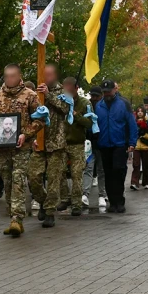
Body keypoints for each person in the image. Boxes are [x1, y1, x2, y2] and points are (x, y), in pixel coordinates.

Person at [0, 64, 43, 236]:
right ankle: (14, 213)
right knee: (7, 181)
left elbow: (40, 120)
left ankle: (17, 219)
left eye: (12, 76)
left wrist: (26, 134)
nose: (9, 79)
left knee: (18, 178)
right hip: (3, 149)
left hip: (22, 147)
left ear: (19, 77)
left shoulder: (30, 96)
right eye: (6, 76)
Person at [28, 65, 72, 229]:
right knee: (33, 176)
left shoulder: (63, 92)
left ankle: (50, 213)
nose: (46, 77)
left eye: (49, 74)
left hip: (57, 144)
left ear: (54, 75)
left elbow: (66, 108)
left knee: (53, 180)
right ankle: (42, 201)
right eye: (44, 74)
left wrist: (48, 95)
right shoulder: (35, 92)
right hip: (38, 143)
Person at [94, 80, 137, 213]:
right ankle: (112, 202)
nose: (107, 93)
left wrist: (132, 142)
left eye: (109, 91)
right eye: (104, 92)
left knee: (119, 171)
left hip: (119, 144)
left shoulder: (124, 104)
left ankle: (120, 200)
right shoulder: (99, 106)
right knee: (108, 174)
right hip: (104, 145)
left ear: (115, 90)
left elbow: (131, 124)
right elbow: (95, 125)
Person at [58, 77, 93, 216]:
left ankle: (77, 203)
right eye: (64, 87)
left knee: (76, 174)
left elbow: (90, 123)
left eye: (69, 87)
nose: (67, 90)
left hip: (77, 144)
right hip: (61, 143)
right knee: (59, 171)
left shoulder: (85, 103)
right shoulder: (61, 102)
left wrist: (76, 116)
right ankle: (65, 198)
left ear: (76, 88)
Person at [83, 86, 107, 205]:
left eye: (96, 96)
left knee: (101, 170)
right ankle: (85, 194)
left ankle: (102, 194)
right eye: (92, 96)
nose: (94, 98)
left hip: (101, 144)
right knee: (88, 168)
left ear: (101, 96)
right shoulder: (87, 107)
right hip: (89, 144)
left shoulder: (104, 108)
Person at [131, 106, 148, 190]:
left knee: (146, 164)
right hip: (136, 146)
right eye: (138, 111)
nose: (139, 113)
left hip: (146, 146)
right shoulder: (133, 121)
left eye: (141, 111)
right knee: (136, 164)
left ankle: (146, 182)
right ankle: (134, 182)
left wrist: (145, 136)